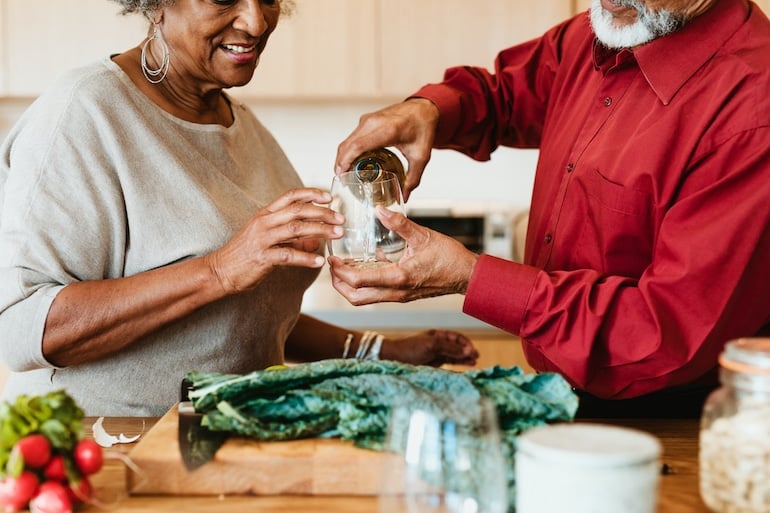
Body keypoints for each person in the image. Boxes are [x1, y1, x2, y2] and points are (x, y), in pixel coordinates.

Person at [0, 0, 478, 417]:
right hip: (106, 453)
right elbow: (22, 329)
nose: (255, 21)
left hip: (220, 441)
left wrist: (382, 351)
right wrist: (220, 269)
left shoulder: (239, 123)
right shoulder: (84, 111)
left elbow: (247, 317)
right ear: (155, 2)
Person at [330, 0, 770, 417]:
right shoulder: (613, 25)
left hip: (680, 420)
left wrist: (470, 276)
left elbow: (664, 333)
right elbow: (507, 94)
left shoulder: (752, 109)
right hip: (571, 400)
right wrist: (430, 110)